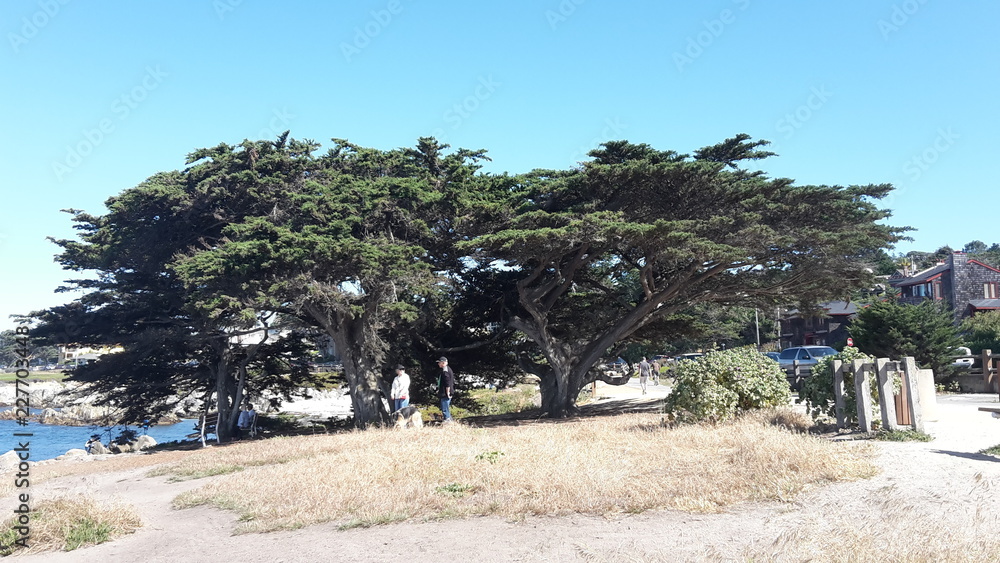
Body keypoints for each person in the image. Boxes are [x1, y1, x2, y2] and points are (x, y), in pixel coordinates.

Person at [436, 356, 455, 422]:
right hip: (445, 392)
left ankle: (447, 421)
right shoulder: (447, 369)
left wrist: (447, 392)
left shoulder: (445, 371)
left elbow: (447, 382)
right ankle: (450, 420)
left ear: (443, 363)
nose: (438, 364)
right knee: (446, 408)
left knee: (445, 408)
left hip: (445, 393)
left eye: (439, 363)